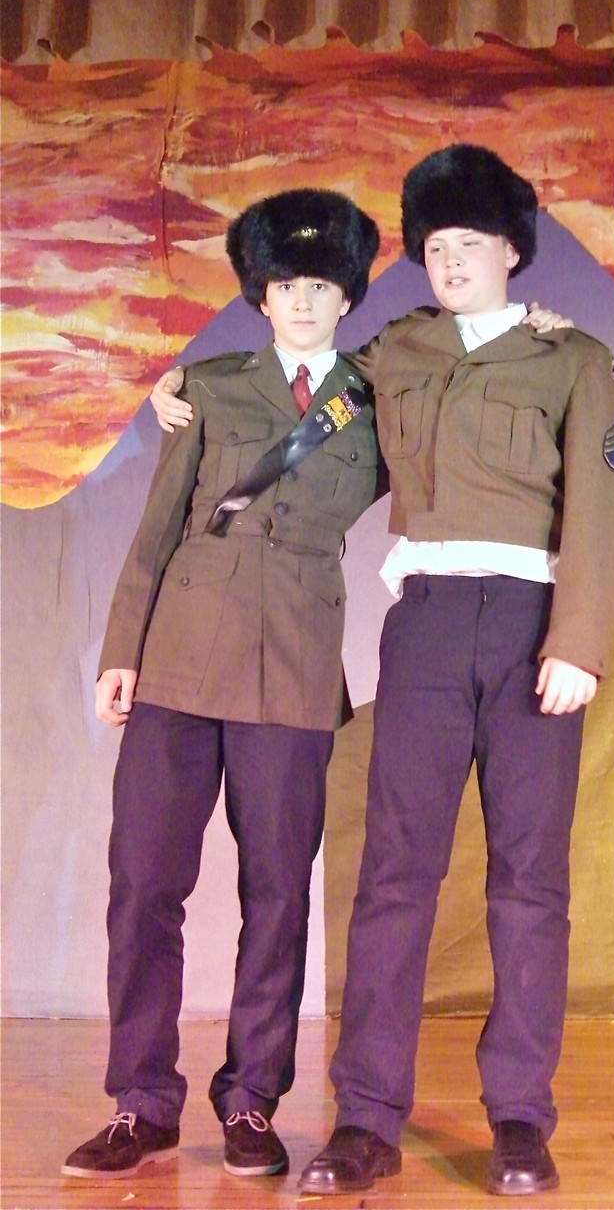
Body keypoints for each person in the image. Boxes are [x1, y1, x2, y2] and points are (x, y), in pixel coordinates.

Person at [148, 147, 614, 1198]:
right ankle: (366, 1117)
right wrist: (178, 387)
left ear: (511, 252)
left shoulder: (573, 360)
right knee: (394, 874)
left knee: (528, 880)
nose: (451, 262)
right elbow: (296, 381)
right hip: (426, 627)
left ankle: (518, 1118)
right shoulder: (395, 352)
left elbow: (603, 507)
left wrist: (580, 643)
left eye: (470, 245)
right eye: (436, 247)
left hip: (536, 627)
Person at [61, 188, 382, 1182]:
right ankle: (141, 1100)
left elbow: (454, 348)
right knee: (145, 883)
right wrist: (123, 649)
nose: (302, 302)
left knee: (279, 893)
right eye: (285, 285)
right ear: (262, 293)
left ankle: (251, 1098)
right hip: (180, 660)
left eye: (321, 286)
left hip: (290, 672)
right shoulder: (205, 384)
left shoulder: (375, 398)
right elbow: (157, 531)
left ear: (345, 297)